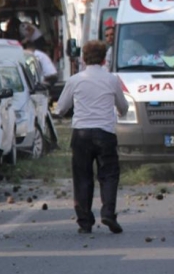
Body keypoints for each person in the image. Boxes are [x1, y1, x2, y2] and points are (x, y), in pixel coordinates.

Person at [55, 40, 129, 235]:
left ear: (83, 58)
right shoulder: (112, 79)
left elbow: (60, 108)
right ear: (105, 59)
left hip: (81, 134)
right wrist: (119, 112)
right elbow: (123, 107)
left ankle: (85, 222)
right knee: (109, 174)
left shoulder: (75, 80)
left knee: (82, 177)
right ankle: (108, 213)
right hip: (105, 133)